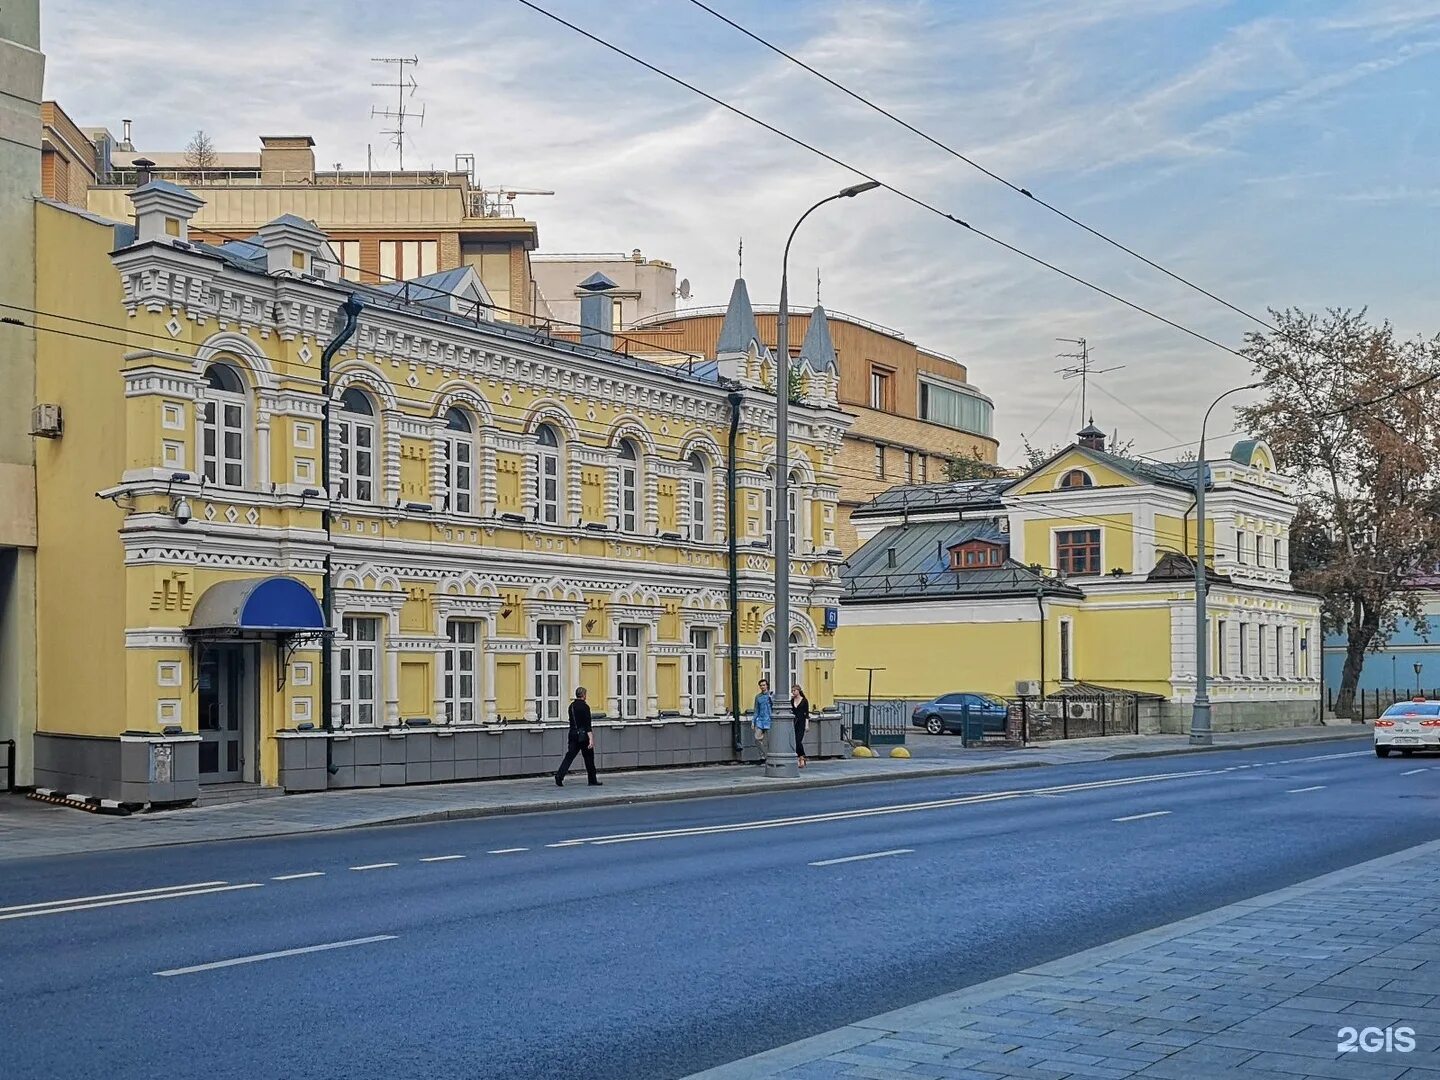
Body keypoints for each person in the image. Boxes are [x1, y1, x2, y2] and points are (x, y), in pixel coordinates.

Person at [555, 686, 601, 786]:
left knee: (569, 756)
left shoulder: (571, 706)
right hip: (583, 736)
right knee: (589, 758)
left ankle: (559, 775)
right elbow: (587, 725)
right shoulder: (585, 707)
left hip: (572, 734)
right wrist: (591, 739)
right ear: (584, 695)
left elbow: (572, 721)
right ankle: (592, 780)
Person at [752, 678, 773, 762]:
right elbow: (756, 709)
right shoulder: (758, 697)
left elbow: (774, 706)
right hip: (760, 720)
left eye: (764, 685)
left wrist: (771, 698)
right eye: (761, 685)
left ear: (767, 685)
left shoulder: (771, 695)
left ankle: (769, 756)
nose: (762, 687)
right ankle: (764, 755)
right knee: (757, 738)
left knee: (769, 741)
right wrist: (753, 721)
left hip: (770, 720)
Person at [791, 684, 811, 768]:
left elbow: (806, 713)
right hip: (794, 722)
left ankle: (802, 757)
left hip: (801, 722)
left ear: (798, 691)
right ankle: (800, 757)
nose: (793, 692)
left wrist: (807, 724)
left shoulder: (804, 700)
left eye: (794, 690)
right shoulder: (791, 701)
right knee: (794, 741)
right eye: (792, 691)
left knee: (798, 740)